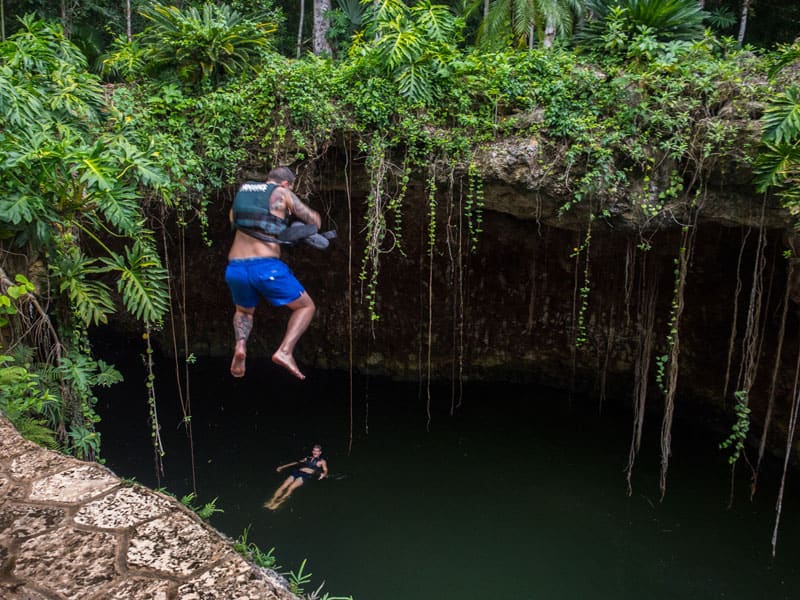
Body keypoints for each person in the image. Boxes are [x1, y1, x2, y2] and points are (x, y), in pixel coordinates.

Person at [225, 167, 321, 380]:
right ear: (286, 183)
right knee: (306, 306)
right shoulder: (283, 193)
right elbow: (314, 222)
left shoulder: (243, 191)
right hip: (265, 266)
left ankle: (240, 346)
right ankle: (285, 351)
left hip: (236, 268)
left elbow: (234, 219)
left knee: (244, 311)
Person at [264, 444, 328, 510]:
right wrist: (282, 467)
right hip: (297, 472)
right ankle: (272, 500)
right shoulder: (308, 458)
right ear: (312, 451)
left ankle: (278, 503)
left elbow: (325, 470)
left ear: (320, 452)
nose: (315, 452)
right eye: (314, 450)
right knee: (283, 485)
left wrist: (323, 474)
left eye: (317, 451)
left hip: (305, 475)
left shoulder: (322, 461)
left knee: (290, 488)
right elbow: (296, 463)